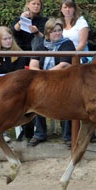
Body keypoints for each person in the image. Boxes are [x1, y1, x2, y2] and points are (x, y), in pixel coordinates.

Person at [28, 18, 76, 147]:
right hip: (44, 81)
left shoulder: (67, 44)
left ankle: (68, 136)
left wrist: (44, 75)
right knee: (35, 97)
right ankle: (40, 134)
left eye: (60, 30)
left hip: (64, 81)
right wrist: (42, 78)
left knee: (65, 98)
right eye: (54, 31)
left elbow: (64, 65)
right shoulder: (41, 46)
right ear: (48, 33)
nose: (58, 33)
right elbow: (33, 65)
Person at [11, 0, 47, 142]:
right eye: (33, 3)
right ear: (27, 4)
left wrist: (37, 32)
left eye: (38, 4)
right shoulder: (19, 18)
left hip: (37, 59)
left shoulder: (44, 21)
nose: (36, 6)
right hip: (21, 58)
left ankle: (36, 131)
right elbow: (12, 33)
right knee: (21, 97)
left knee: (34, 96)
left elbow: (47, 38)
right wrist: (20, 22)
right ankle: (25, 130)